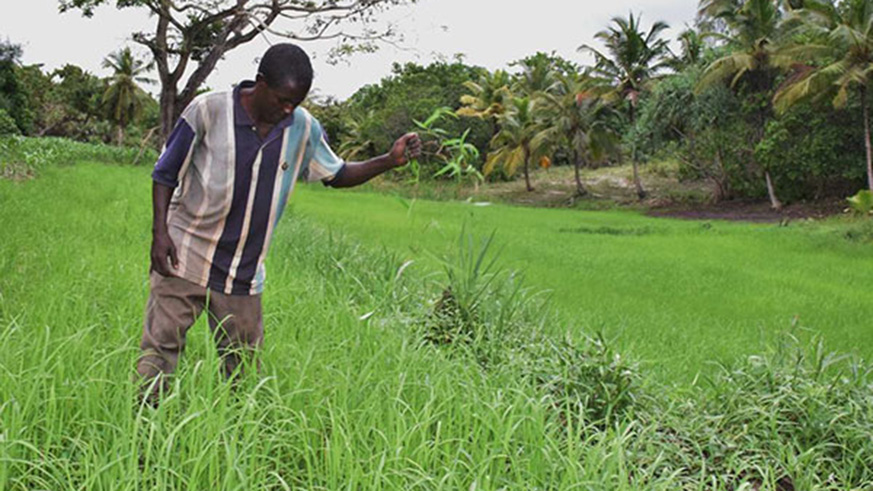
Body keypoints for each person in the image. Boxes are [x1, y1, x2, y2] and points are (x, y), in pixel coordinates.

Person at [137, 43, 421, 402]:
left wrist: (387, 160)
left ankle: (234, 440)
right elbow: (165, 173)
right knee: (159, 351)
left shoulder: (302, 128)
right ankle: (142, 435)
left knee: (243, 372)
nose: (288, 109)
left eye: (296, 103)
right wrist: (159, 234)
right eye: (282, 100)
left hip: (242, 270)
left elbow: (337, 174)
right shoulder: (208, 110)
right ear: (260, 84)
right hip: (185, 253)